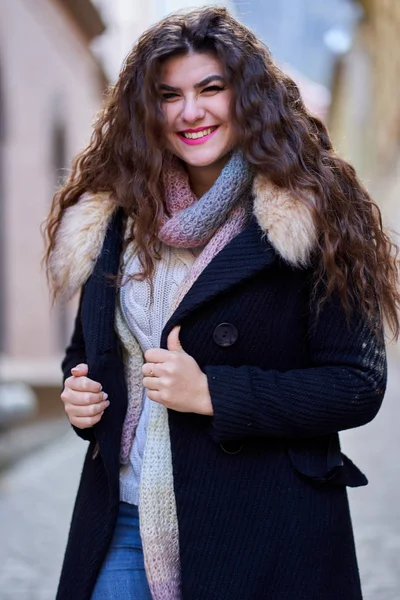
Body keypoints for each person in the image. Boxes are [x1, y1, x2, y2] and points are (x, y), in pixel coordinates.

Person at [44, 6, 399, 600]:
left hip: (261, 532)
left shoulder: (313, 215)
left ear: (249, 96)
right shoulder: (114, 219)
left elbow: (357, 383)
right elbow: (87, 350)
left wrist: (215, 393)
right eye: (169, 95)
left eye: (211, 88)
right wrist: (81, 395)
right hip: (125, 519)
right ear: (146, 111)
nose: (190, 112)